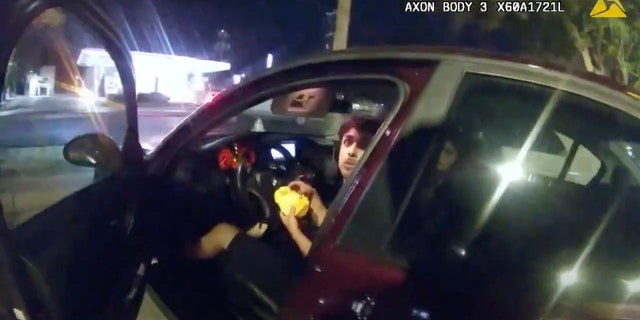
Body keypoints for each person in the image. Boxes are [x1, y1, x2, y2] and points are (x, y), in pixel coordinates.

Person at [185, 115, 382, 303]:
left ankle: (176, 265)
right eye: (348, 142)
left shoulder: (368, 203)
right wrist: (315, 202)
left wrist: (294, 230)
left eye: (363, 145)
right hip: (307, 272)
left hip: (307, 287)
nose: (352, 151)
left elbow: (328, 262)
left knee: (223, 232)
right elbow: (335, 233)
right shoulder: (355, 188)